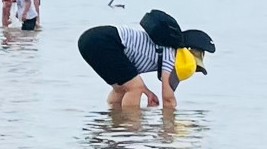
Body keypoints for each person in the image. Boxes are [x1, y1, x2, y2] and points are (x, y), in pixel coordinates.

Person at [77, 22, 214, 108]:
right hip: (105, 41)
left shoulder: (163, 49)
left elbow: (131, 75)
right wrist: (171, 126)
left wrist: (146, 91)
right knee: (134, 88)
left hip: (90, 39)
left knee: (122, 88)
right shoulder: (171, 54)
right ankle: (128, 128)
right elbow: (168, 97)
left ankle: (114, 121)